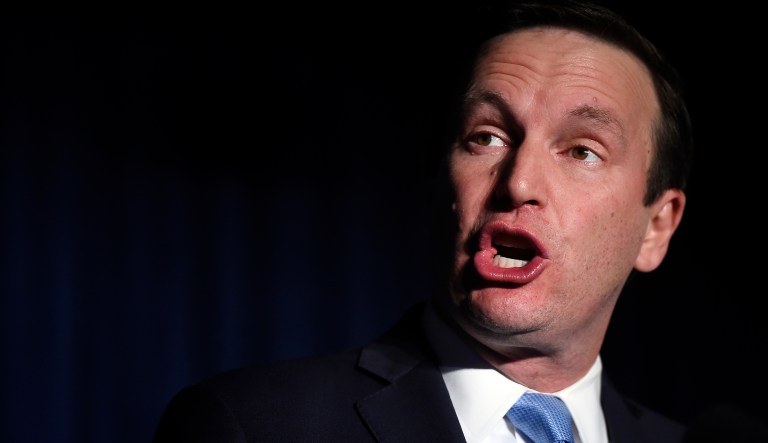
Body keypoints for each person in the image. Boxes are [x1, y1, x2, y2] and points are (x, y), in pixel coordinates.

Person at [153, 0, 695, 441]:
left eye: (581, 151)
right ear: (437, 182)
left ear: (657, 228)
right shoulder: (253, 426)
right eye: (486, 138)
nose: (518, 183)